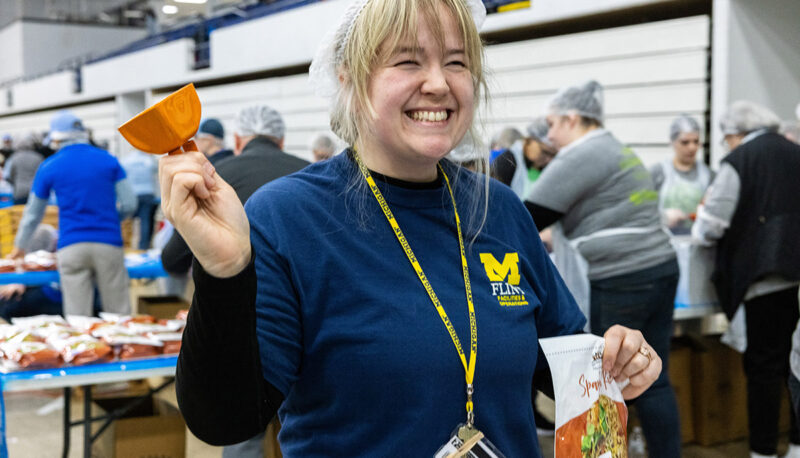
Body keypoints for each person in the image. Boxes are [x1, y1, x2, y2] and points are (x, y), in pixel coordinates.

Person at [160, 1, 662, 456]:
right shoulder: (289, 217)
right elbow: (223, 419)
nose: (439, 83)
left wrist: (618, 361)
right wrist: (223, 272)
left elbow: (559, 361)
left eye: (457, 61)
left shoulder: (500, 209)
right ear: (349, 80)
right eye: (407, 60)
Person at [524, 80, 681, 457]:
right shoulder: (614, 146)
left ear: (572, 118)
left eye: (552, 124)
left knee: (608, 375)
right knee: (651, 374)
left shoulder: (582, 153)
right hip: (659, 266)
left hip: (624, 276)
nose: (548, 135)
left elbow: (523, 218)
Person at [693, 100, 800, 458]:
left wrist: (699, 234)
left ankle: (763, 450)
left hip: (763, 277)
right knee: (794, 364)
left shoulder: (741, 160)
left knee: (765, 367)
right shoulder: (794, 150)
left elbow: (714, 221)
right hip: (793, 275)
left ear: (734, 134)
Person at [10, 110, 136, 317]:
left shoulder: (49, 166)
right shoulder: (109, 160)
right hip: (109, 244)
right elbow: (131, 203)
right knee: (119, 314)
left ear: (56, 138)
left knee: (78, 318)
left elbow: (33, 214)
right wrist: (113, 220)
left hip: (71, 246)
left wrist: (20, 247)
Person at [161, 105, 307, 281]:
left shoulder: (215, 178)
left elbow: (173, 260)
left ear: (237, 141)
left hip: (238, 295)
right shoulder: (310, 172)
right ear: (282, 141)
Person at [649, 115, 712, 234]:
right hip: (663, 245)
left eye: (696, 141)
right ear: (672, 142)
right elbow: (640, 211)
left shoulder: (709, 176)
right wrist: (663, 217)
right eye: (685, 142)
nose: (692, 147)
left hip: (697, 246)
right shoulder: (657, 173)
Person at [491, 116, 557, 199]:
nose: (549, 160)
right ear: (529, 140)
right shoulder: (507, 162)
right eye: (545, 152)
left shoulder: (543, 166)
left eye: (554, 155)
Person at [120, 150, 158, 250]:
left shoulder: (126, 160)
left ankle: (126, 246)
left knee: (127, 220)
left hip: (132, 193)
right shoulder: (149, 160)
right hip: (147, 193)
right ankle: (143, 247)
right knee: (144, 221)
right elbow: (157, 170)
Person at [3, 134, 44, 205]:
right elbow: (43, 174)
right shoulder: (38, 157)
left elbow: (7, 176)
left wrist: (15, 183)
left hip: (19, 191)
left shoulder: (13, 159)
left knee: (19, 214)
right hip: (36, 191)